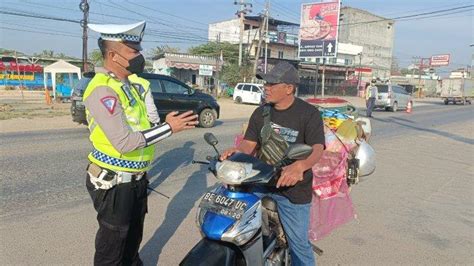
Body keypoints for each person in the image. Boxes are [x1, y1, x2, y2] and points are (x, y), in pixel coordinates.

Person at [85, 21, 198, 265]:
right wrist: (169, 128)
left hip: (135, 181)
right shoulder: (102, 90)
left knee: (131, 245)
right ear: (113, 55)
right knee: (111, 253)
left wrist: (164, 124)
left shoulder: (130, 86)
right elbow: (124, 143)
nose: (140, 56)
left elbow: (145, 128)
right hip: (113, 183)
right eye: (133, 52)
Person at [220, 61, 325, 266]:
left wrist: (300, 166)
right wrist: (237, 151)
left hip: (293, 189)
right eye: (265, 84)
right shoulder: (261, 113)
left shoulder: (309, 113)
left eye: (271, 84)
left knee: (299, 245)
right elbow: (250, 143)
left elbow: (317, 148)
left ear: (289, 88)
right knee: (232, 226)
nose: (266, 88)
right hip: (260, 181)